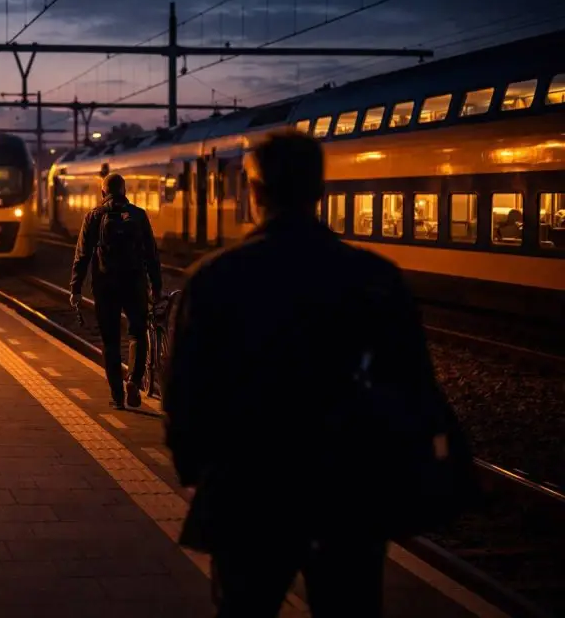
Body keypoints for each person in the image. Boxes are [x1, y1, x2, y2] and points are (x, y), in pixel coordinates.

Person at [162, 132, 463, 617]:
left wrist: (196, 470)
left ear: (254, 192)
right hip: (350, 491)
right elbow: (415, 389)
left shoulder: (216, 276)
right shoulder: (375, 276)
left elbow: (185, 390)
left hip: (248, 486)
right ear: (320, 192)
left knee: (244, 608)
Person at [69, 173, 161, 410]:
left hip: (106, 286)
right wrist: (156, 286)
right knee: (137, 334)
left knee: (110, 341)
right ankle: (133, 380)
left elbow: (82, 255)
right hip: (135, 284)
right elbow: (151, 254)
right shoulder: (139, 215)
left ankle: (117, 396)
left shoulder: (94, 216)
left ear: (103, 193)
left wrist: (76, 289)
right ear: (124, 191)